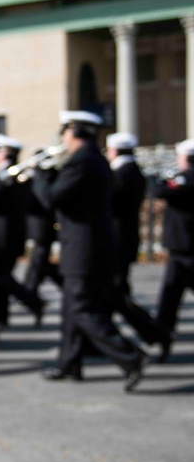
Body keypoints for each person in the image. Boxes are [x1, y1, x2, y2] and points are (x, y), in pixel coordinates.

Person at [33, 111, 145, 391]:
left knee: (82, 308)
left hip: (83, 248)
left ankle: (131, 356)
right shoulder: (94, 159)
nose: (62, 139)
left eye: (65, 132)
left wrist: (40, 175)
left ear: (74, 132)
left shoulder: (82, 161)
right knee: (72, 307)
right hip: (89, 245)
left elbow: (52, 198)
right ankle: (69, 363)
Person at [106, 132, 167, 357]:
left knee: (116, 293)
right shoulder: (130, 171)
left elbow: (110, 203)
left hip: (118, 240)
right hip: (124, 239)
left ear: (115, 151)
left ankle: (155, 333)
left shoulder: (123, 173)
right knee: (116, 293)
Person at [0, 134, 45, 328]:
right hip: (10, 234)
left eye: (0, 151)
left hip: (3, 235)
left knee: (2, 277)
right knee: (1, 278)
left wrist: (2, 182)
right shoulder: (19, 177)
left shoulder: (10, 177)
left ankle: (33, 302)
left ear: (6, 154)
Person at [153, 138, 194, 363]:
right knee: (169, 300)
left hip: (183, 249)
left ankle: (163, 341)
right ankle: (162, 340)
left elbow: (160, 191)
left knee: (169, 302)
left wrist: (164, 178)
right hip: (183, 249)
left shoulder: (185, 179)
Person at [21, 149, 62, 298]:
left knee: (39, 261)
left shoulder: (49, 175)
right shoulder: (38, 176)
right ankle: (29, 290)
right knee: (39, 261)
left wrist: (37, 174)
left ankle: (29, 291)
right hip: (37, 226)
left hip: (44, 227)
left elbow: (45, 199)